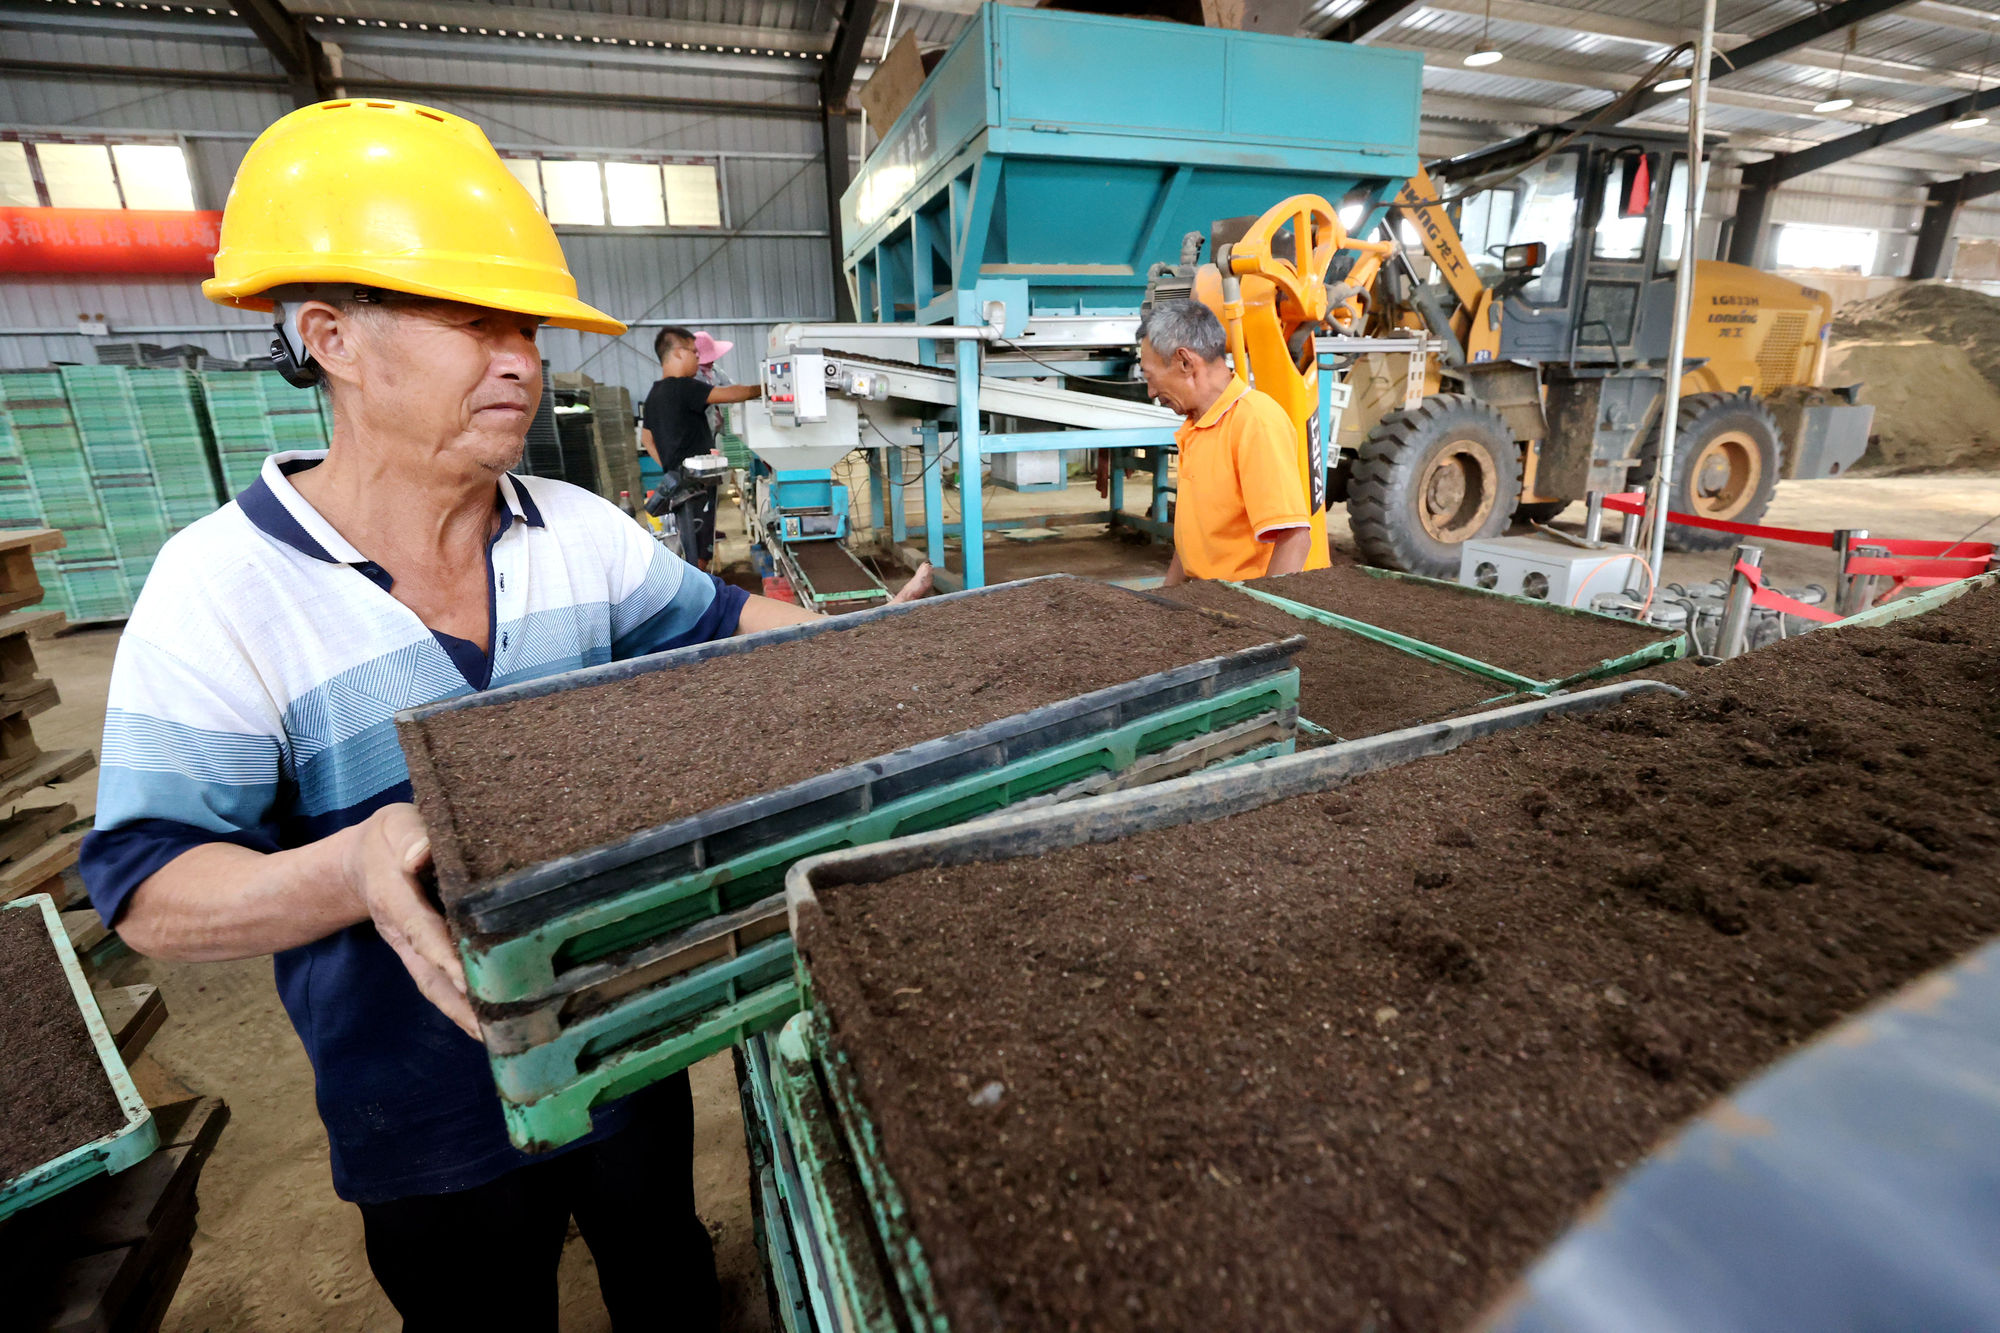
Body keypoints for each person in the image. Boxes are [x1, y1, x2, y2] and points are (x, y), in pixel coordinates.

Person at [77, 99, 928, 1332]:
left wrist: (880, 648)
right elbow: (148, 889)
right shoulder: (220, 592)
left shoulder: (577, 534)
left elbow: (722, 627)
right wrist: (353, 863)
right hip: (419, 1112)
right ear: (331, 338)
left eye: (523, 323)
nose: (521, 357)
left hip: (627, 1044)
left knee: (666, 1275)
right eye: (474, 321)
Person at [1137, 299, 1325, 586]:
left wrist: (1261, 621)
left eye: (1150, 377)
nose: (1151, 391)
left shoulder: (1256, 421)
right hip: (1204, 601)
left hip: (1241, 608)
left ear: (1185, 362)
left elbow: (1294, 539)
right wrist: (1166, 600)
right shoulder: (1196, 426)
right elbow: (1194, 541)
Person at [641, 327, 755, 570]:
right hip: (696, 486)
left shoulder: (654, 394)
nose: (697, 358)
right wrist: (766, 388)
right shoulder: (684, 387)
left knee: (687, 541)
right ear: (679, 352)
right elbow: (732, 394)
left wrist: (671, 467)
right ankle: (700, 599)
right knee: (699, 550)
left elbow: (646, 439)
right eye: (694, 352)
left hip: (679, 483)